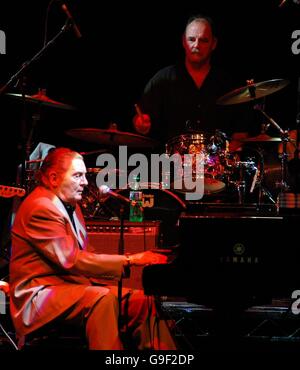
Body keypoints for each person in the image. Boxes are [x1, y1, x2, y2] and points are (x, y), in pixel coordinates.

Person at [9, 147, 177, 350]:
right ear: (53, 178)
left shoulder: (70, 204)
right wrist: (131, 260)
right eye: (78, 176)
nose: (86, 183)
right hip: (40, 295)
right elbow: (71, 260)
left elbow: (86, 255)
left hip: (70, 286)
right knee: (102, 300)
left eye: (85, 176)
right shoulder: (41, 207)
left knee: (140, 301)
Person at [133, 14, 251, 150]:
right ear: (183, 41)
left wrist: (225, 156)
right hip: (171, 165)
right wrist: (140, 125)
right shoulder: (162, 79)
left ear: (214, 44)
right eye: (191, 39)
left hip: (216, 167)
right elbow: (140, 120)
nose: (196, 45)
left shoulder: (228, 83)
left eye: (204, 40)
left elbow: (241, 133)